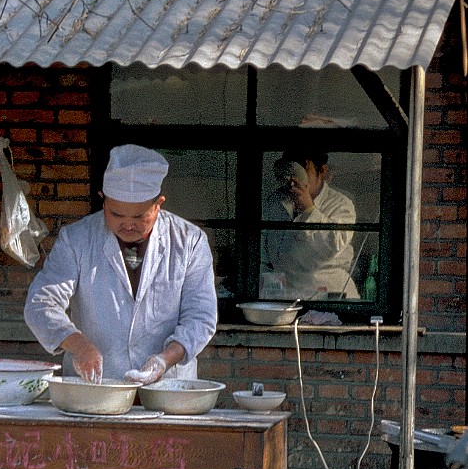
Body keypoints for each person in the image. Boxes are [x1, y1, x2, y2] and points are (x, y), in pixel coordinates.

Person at [24, 144, 217, 385]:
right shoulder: (76, 239)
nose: (127, 225)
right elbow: (41, 303)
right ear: (103, 200)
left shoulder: (190, 241)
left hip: (167, 387)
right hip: (95, 387)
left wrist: (165, 360)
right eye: (116, 214)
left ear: (159, 204)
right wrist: (79, 345)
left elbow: (200, 316)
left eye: (139, 216)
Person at [261, 150, 359, 300]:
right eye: (290, 170)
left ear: (322, 171)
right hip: (283, 295)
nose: (294, 178)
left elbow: (332, 245)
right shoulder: (275, 202)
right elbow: (263, 251)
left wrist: (308, 209)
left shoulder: (341, 204)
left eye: (303, 170)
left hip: (327, 293)